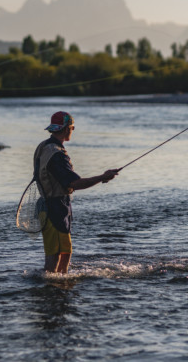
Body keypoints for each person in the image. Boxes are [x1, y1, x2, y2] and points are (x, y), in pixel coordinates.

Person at [34, 111, 118, 274]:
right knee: (55, 255)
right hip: (54, 207)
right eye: (72, 127)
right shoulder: (56, 154)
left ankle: (61, 287)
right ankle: (51, 291)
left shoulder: (43, 146)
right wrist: (102, 177)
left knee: (65, 252)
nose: (72, 130)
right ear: (66, 129)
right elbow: (74, 183)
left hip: (55, 205)